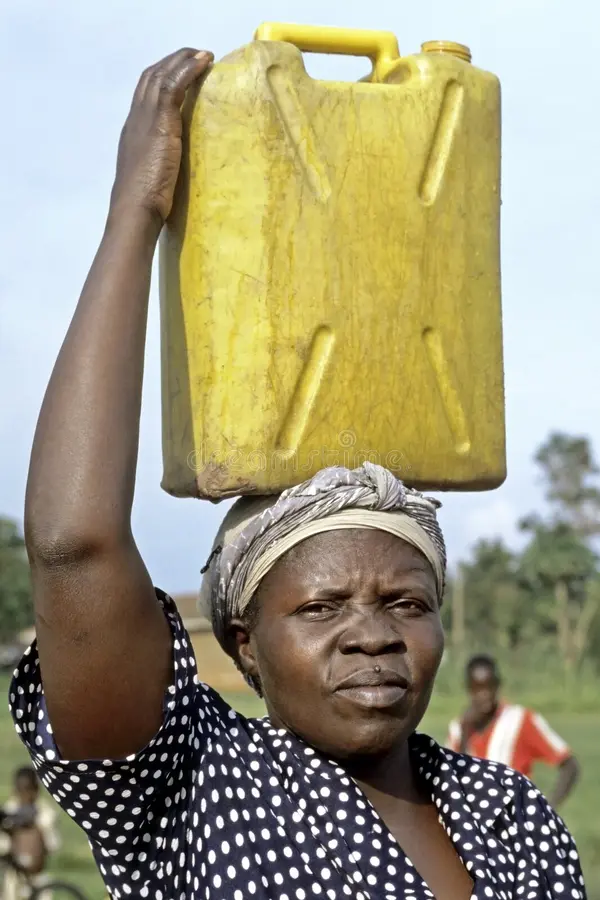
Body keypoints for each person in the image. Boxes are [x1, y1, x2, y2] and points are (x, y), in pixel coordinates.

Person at [9, 47, 586, 900]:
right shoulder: (193, 789)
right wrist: (135, 211)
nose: (373, 635)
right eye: (319, 607)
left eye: (407, 603)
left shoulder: (507, 814)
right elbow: (73, 548)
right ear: (245, 646)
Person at [447, 655, 580, 806]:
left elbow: (570, 765)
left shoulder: (520, 720)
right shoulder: (458, 728)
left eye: (489, 687)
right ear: (469, 689)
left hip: (515, 823)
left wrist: (547, 810)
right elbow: (453, 780)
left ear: (498, 686)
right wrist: (465, 733)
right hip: (473, 824)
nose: (484, 695)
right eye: (477, 689)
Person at [0, 766, 60, 900]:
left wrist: (32, 827)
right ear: (15, 790)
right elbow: (3, 846)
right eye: (22, 791)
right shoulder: (9, 810)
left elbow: (53, 845)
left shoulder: (45, 812)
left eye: (29, 790)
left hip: (37, 874)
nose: (26, 795)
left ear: (36, 790)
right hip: (14, 876)